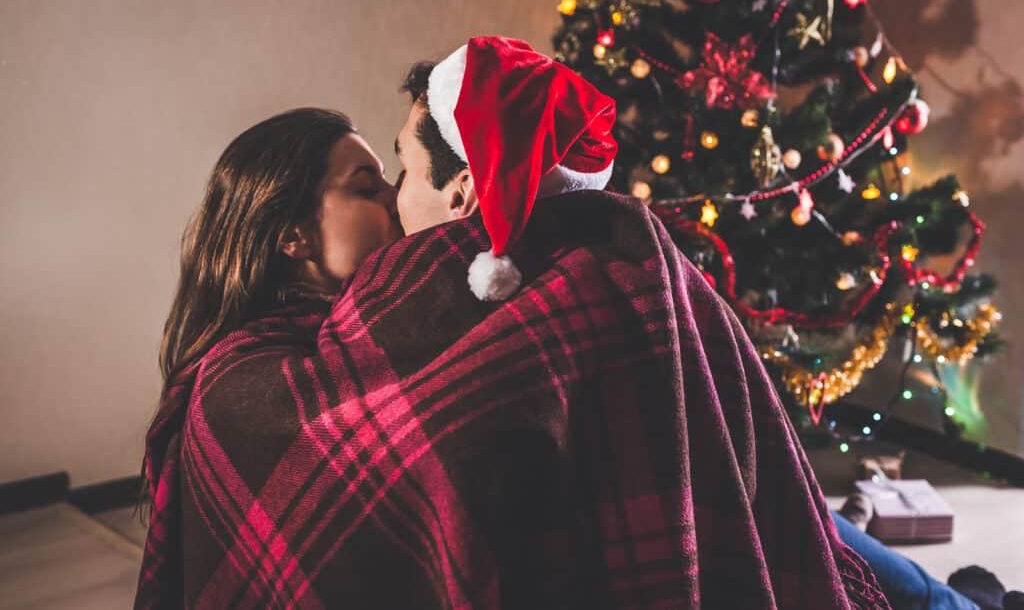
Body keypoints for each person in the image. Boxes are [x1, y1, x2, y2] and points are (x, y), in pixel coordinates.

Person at [137, 38, 892, 608]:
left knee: (842, 544)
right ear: (291, 236)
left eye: (396, 174)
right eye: (370, 184)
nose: (397, 199)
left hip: (719, 517)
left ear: (465, 189)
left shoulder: (471, 290)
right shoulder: (258, 377)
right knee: (838, 544)